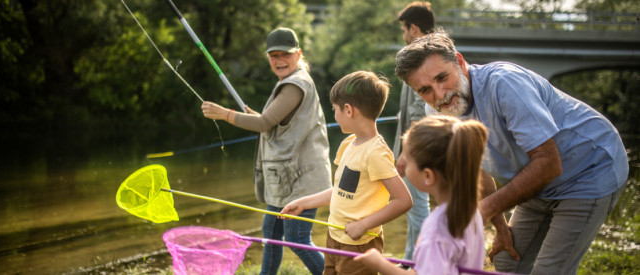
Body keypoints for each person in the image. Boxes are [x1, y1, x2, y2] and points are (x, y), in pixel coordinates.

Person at [394, 29, 629, 274]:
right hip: (534, 178)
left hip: (590, 168)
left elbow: (549, 163)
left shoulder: (505, 83)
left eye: (442, 77)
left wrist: (479, 212)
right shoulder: (437, 111)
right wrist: (501, 228)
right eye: (425, 90)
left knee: (549, 270)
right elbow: (478, 174)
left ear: (460, 62)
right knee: (508, 260)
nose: (440, 95)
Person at [201, 27, 331, 275]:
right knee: (271, 232)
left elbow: (264, 124)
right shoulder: (290, 80)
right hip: (288, 176)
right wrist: (255, 116)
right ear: (268, 57)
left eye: (286, 54)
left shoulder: (296, 83)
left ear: (298, 54)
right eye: (274, 55)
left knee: (297, 239)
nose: (280, 60)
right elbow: (274, 122)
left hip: (302, 177)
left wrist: (225, 114)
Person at [280, 71, 412, 275]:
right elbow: (341, 191)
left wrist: (364, 225)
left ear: (348, 110)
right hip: (334, 238)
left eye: (335, 110)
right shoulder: (348, 144)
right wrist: (304, 202)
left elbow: (403, 200)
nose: (334, 114)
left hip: (359, 244)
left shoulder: (376, 153)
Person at [355, 115, 488, 274]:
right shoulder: (471, 211)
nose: (402, 163)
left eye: (408, 161)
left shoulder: (436, 228)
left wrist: (380, 265)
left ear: (428, 176)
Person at [393, 1, 435, 264]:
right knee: (416, 207)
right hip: (421, 145)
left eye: (405, 31)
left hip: (419, 148)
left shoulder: (423, 59)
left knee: (417, 208)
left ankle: (415, 263)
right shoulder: (427, 55)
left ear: (415, 29)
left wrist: (408, 153)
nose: (404, 36)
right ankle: (412, 260)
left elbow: (420, 111)